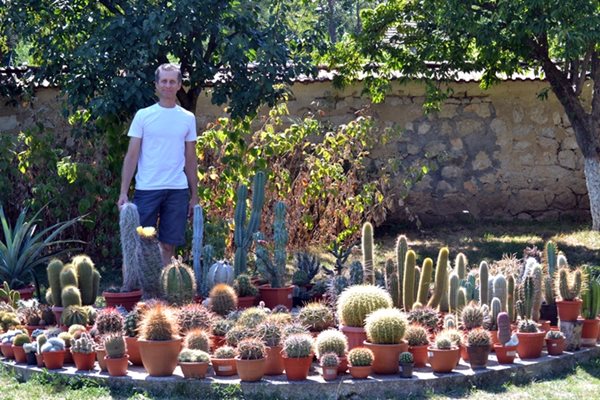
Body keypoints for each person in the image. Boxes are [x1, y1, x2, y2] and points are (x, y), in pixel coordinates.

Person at [117, 63, 198, 266]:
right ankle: (145, 292)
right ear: (156, 84)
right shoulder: (143, 116)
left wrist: (194, 195)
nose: (168, 85)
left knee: (169, 245)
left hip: (177, 190)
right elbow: (132, 155)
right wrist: (123, 192)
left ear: (179, 85)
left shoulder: (188, 118)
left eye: (172, 81)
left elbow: (190, 158)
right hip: (147, 189)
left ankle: (164, 291)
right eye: (164, 81)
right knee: (143, 242)